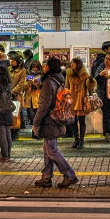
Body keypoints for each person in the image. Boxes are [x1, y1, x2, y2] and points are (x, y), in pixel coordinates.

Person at [33, 57, 78, 188]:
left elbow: (44, 106)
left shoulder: (48, 82)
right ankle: (46, 176)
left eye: (46, 65)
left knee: (51, 150)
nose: (44, 67)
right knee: (48, 148)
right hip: (58, 117)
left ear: (49, 67)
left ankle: (70, 175)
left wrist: (36, 123)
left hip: (50, 120)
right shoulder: (60, 80)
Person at [66, 57, 96, 149]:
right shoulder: (69, 74)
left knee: (81, 121)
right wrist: (66, 95)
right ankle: (76, 139)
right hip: (72, 100)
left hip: (81, 100)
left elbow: (90, 87)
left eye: (73, 63)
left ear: (78, 64)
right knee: (72, 121)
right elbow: (66, 86)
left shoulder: (84, 74)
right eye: (71, 63)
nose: (72, 64)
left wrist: (91, 81)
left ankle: (82, 140)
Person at [0, 65, 13, 162]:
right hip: (8, 109)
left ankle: (4, 155)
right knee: (8, 132)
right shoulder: (8, 82)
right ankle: (8, 154)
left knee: (2, 133)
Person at [22, 60, 43, 138]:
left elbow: (43, 87)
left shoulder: (42, 76)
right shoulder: (27, 76)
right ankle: (34, 132)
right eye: (33, 67)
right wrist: (29, 83)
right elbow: (23, 86)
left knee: (37, 117)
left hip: (38, 98)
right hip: (29, 98)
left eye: (36, 67)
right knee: (31, 116)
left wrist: (38, 84)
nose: (34, 69)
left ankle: (37, 132)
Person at [9, 52, 27, 138]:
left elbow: (21, 84)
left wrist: (13, 92)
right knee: (9, 112)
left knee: (16, 113)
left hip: (17, 95)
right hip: (8, 94)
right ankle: (10, 129)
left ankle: (15, 131)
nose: (11, 61)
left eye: (13, 60)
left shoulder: (22, 70)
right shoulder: (9, 69)